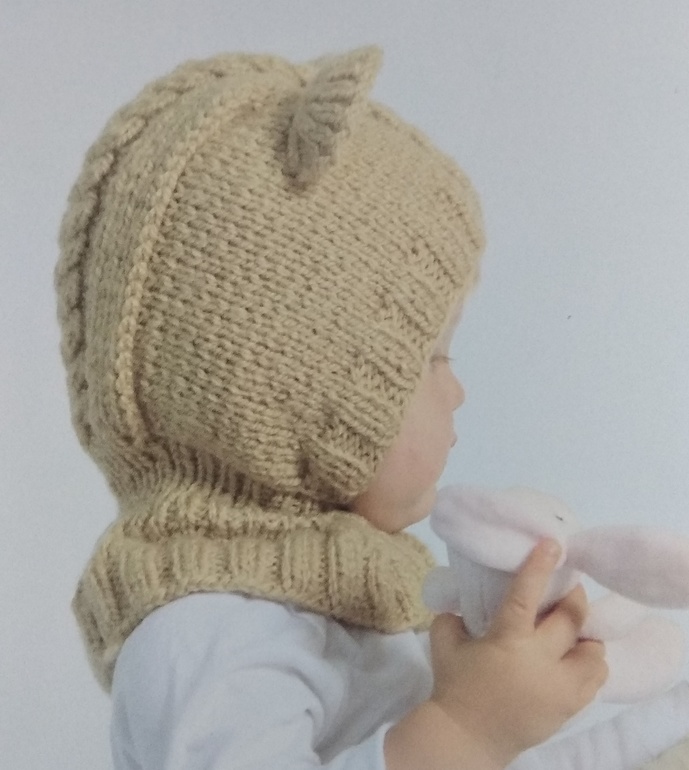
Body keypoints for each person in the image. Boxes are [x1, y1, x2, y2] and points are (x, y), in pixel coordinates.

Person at [55, 44, 608, 769]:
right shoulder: (203, 635)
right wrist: (470, 728)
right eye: (430, 358)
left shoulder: (351, 588)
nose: (457, 390)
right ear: (284, 399)